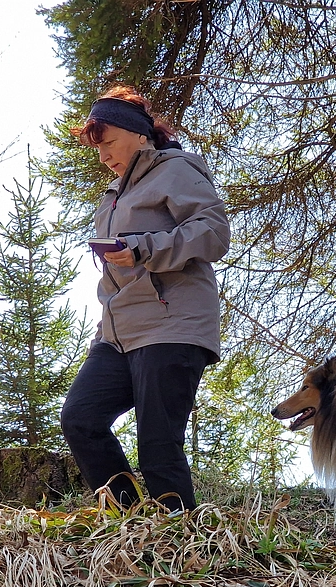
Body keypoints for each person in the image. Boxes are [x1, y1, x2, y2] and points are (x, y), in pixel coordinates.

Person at [60, 84, 230, 512]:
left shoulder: (176, 170)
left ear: (139, 135)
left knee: (158, 444)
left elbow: (213, 233)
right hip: (118, 335)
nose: (104, 156)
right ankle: (131, 520)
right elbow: (116, 275)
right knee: (81, 418)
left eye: (110, 143)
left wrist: (143, 247)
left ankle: (181, 539)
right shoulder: (113, 196)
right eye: (98, 149)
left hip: (172, 324)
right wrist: (104, 331)